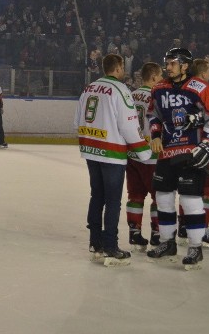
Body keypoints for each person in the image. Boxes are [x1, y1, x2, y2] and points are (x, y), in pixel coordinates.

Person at [146, 47, 209, 270]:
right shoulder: (159, 89)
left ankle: (195, 247)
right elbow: (153, 115)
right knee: (163, 197)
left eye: (172, 63)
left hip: (191, 153)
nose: (167, 67)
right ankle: (167, 242)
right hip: (168, 151)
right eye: (167, 63)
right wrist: (155, 134)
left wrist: (208, 146)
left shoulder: (201, 88)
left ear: (185, 65)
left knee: (190, 200)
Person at [75, 54, 151, 266]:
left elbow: (77, 121)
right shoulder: (120, 90)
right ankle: (110, 246)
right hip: (112, 153)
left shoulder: (88, 88)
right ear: (118, 68)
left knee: (96, 195)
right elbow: (129, 126)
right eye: (123, 66)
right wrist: (144, 153)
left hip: (91, 150)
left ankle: (95, 242)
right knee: (113, 200)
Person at [176, 58, 209, 247]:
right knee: (208, 188)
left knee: (187, 187)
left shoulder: (182, 86)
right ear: (203, 73)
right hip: (201, 147)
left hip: (181, 146)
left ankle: (183, 225)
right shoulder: (202, 88)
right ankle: (201, 228)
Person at [125, 62, 161, 249]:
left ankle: (134, 232)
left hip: (132, 153)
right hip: (152, 154)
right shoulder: (156, 96)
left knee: (135, 195)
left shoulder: (131, 95)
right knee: (159, 196)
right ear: (154, 77)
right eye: (160, 76)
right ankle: (157, 233)